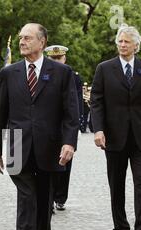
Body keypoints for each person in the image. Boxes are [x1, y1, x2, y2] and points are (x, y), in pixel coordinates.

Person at [0, 23, 79, 230]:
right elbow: (1, 115)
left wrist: (69, 143)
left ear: (42, 42)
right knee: (26, 201)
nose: (22, 42)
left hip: (50, 148)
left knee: (43, 202)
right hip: (19, 150)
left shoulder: (62, 73)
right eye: (20, 38)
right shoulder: (9, 73)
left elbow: (71, 114)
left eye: (27, 38)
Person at [90, 25, 141, 230]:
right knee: (116, 184)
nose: (122, 45)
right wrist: (98, 129)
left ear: (136, 46)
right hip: (114, 136)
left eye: (127, 42)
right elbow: (96, 102)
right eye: (120, 41)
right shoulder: (105, 68)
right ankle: (120, 229)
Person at [44, 45, 82, 212]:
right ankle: (49, 198)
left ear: (64, 59)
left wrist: (76, 126)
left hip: (66, 126)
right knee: (47, 163)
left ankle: (61, 197)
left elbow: (77, 103)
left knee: (65, 163)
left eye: (59, 58)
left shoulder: (73, 77)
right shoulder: (42, 76)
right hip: (47, 126)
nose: (56, 62)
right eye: (53, 59)